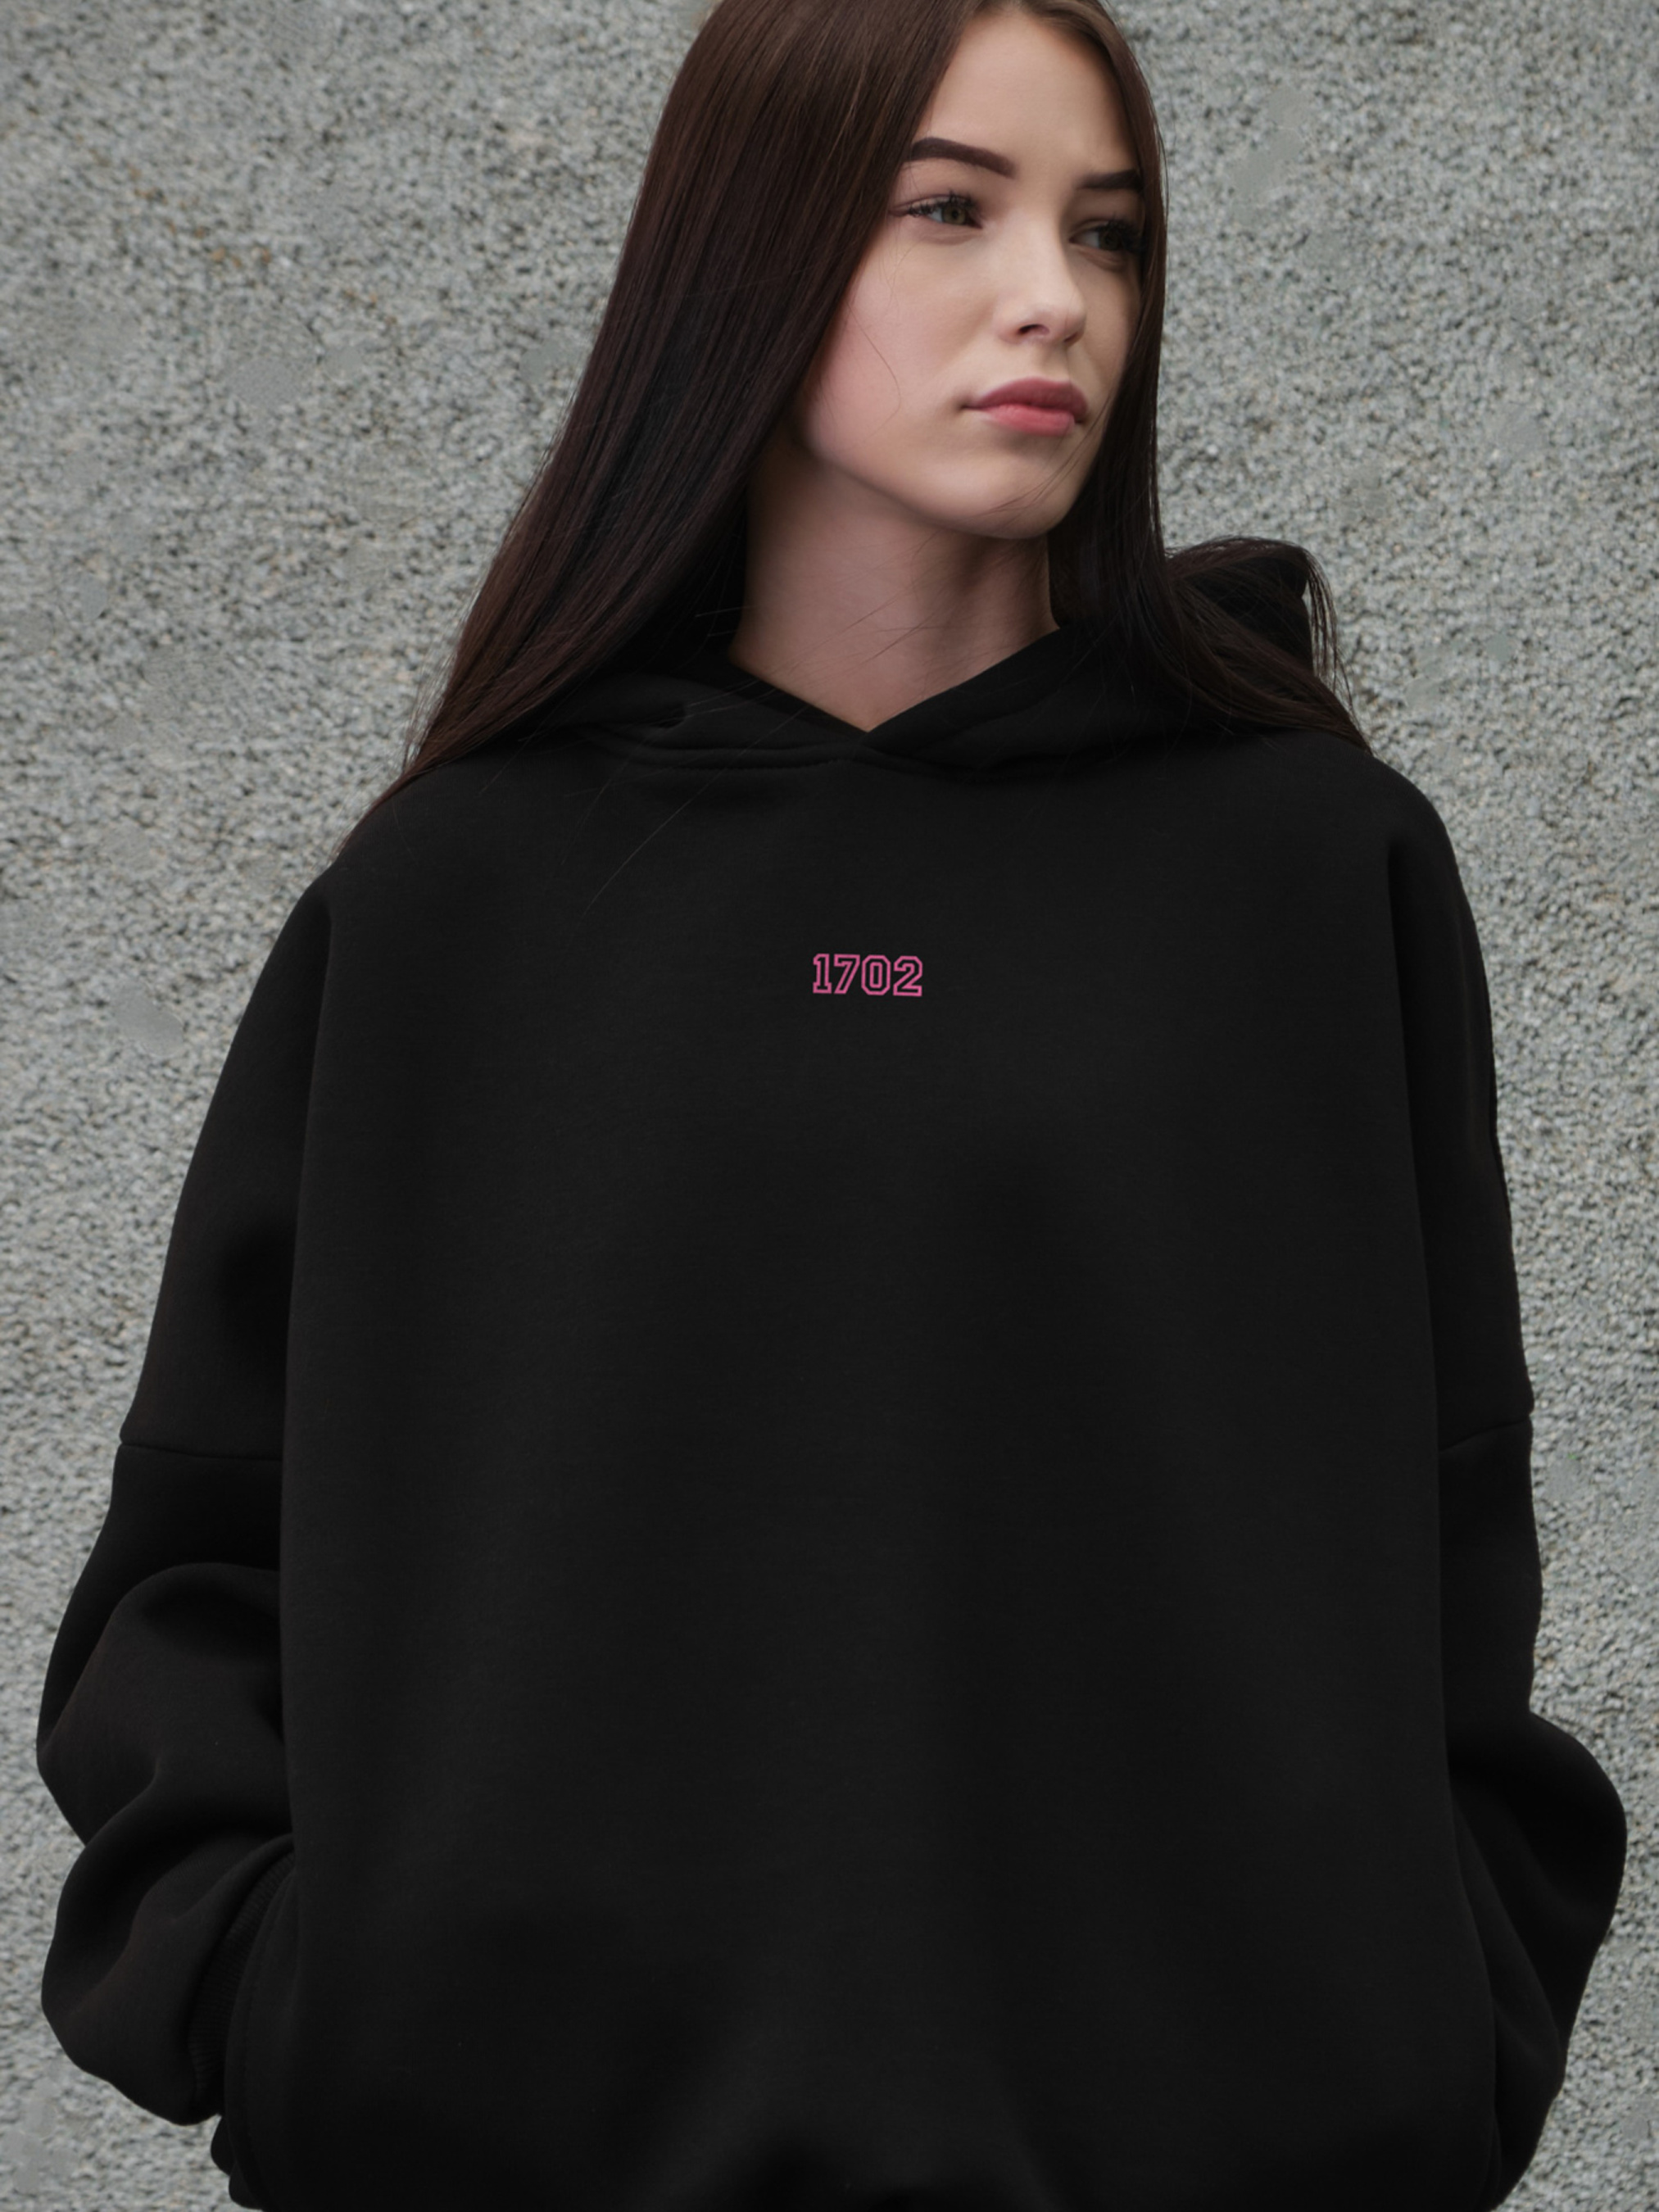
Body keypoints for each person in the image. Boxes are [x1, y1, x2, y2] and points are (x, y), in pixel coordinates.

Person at [35, 2, 1627, 2209]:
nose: (1053, 297)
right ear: (749, 254)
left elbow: (1445, 1534)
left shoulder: (1304, 870)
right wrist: (304, 2007)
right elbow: (203, 1551)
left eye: (1108, 230)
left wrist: (1431, 2016)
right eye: (948, 211)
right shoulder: (460, 898)